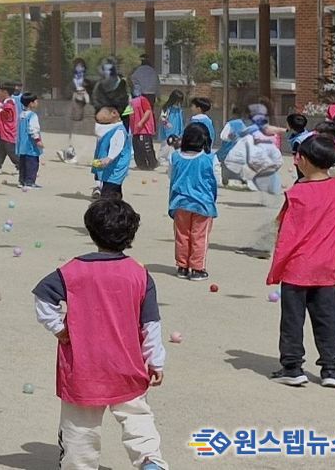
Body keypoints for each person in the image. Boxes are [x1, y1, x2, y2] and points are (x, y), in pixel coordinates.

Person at [32, 198, 168, 470]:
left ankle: (79, 466)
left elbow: (43, 297)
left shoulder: (72, 270)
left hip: (83, 369)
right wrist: (156, 361)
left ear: (91, 231)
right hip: (127, 365)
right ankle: (149, 460)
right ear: (131, 235)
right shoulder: (139, 274)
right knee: (137, 418)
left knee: (79, 429)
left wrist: (59, 328)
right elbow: (150, 324)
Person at [267, 134, 335, 388]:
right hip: (327, 270)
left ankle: (292, 367)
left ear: (304, 160)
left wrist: (276, 268)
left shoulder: (297, 194)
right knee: (327, 320)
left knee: (292, 320)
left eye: (298, 155)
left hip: (298, 269)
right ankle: (329, 369)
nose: (295, 159)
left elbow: (286, 234)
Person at [169, 123, 217, 281]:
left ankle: (182, 267)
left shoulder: (175, 156)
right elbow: (215, 180)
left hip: (180, 202)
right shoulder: (209, 159)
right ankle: (197, 269)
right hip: (202, 204)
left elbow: (171, 176)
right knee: (199, 237)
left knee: (182, 236)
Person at [91, 106, 132, 200]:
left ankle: (107, 206)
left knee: (108, 194)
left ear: (114, 114)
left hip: (114, 169)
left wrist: (109, 158)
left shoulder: (119, 130)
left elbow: (117, 146)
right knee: (115, 191)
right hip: (110, 169)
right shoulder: (112, 128)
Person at [57, 58, 91, 165]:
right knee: (70, 131)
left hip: (83, 108)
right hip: (72, 107)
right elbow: (66, 94)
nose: (79, 69)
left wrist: (84, 94)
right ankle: (68, 152)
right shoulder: (71, 81)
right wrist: (75, 93)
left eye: (81, 66)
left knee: (79, 131)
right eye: (77, 66)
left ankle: (72, 153)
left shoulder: (87, 81)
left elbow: (90, 95)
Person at [92, 58, 131, 131]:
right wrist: (106, 111)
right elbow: (96, 102)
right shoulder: (99, 86)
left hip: (121, 121)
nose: (108, 72)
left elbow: (126, 101)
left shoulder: (122, 84)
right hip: (104, 122)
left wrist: (117, 112)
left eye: (110, 70)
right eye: (106, 70)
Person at [16, 93, 44, 189]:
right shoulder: (33, 116)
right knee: (32, 164)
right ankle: (29, 182)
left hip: (22, 145)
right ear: (31, 103)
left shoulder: (21, 115)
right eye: (35, 101)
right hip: (30, 145)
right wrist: (38, 140)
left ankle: (22, 181)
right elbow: (33, 129)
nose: (37, 103)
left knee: (23, 164)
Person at [0, 83, 19, 174]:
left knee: (11, 151)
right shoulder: (5, 102)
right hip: (3, 132)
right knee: (0, 150)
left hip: (8, 132)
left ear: (5, 92)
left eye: (0, 91)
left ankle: (20, 165)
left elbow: (7, 115)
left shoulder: (10, 103)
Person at [130, 92, 157, 170]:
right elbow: (128, 113)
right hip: (135, 130)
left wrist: (141, 122)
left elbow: (148, 111)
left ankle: (152, 164)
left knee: (145, 147)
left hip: (143, 130)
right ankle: (141, 165)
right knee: (137, 148)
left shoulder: (142, 99)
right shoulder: (130, 102)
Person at [157, 90, 185, 167]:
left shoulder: (179, 109)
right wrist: (166, 123)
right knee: (166, 145)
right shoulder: (167, 108)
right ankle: (162, 159)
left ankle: (171, 159)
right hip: (168, 130)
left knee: (175, 145)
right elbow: (162, 117)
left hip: (177, 129)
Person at [286, 113, 311, 180]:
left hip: (302, 162)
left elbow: (295, 155)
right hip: (309, 161)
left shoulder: (297, 142)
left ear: (291, 126)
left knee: (302, 178)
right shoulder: (306, 133)